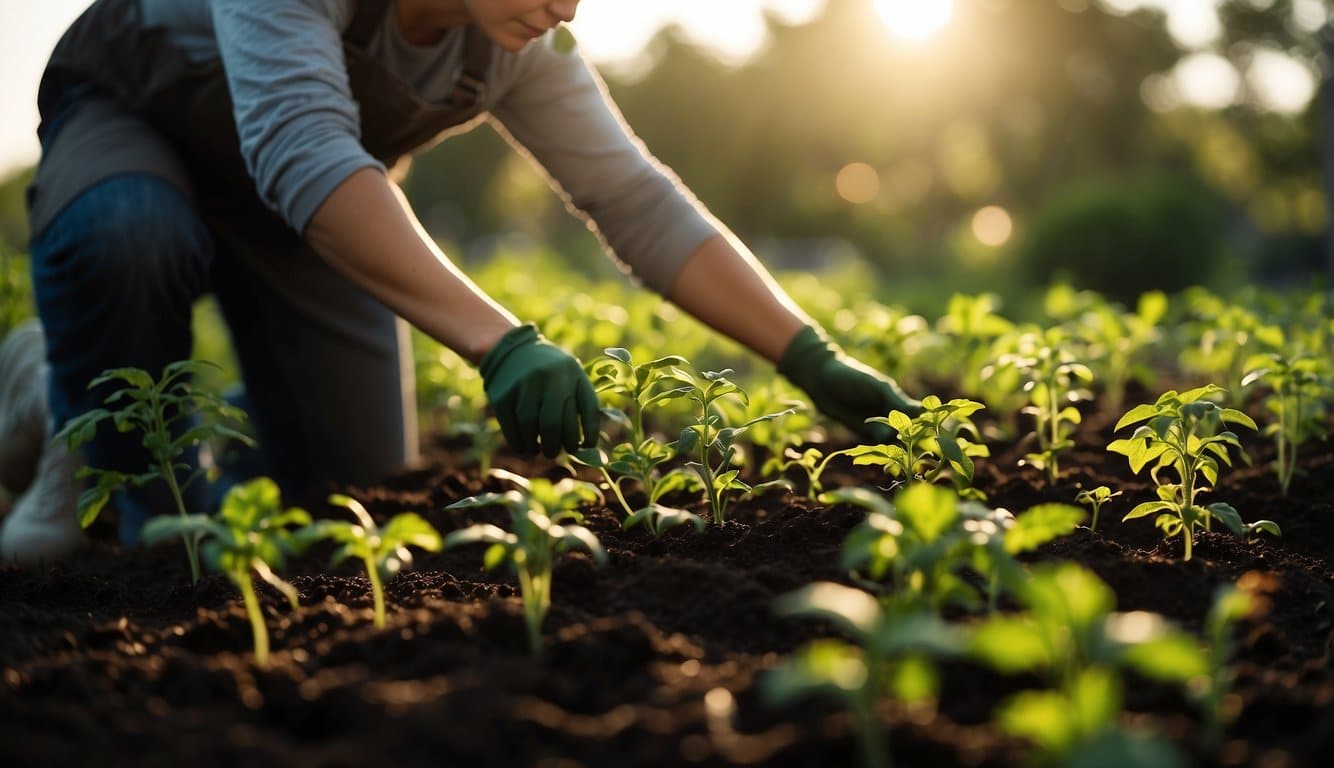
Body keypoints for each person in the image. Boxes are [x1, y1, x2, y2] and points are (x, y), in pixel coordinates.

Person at [0, 0, 918, 566]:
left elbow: (635, 199)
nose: (567, 7)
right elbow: (302, 148)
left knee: (353, 480)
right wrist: (501, 341)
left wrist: (810, 356)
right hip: (139, 132)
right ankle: (77, 419)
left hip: (293, 212)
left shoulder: (518, 40)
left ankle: (161, 436)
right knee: (130, 242)